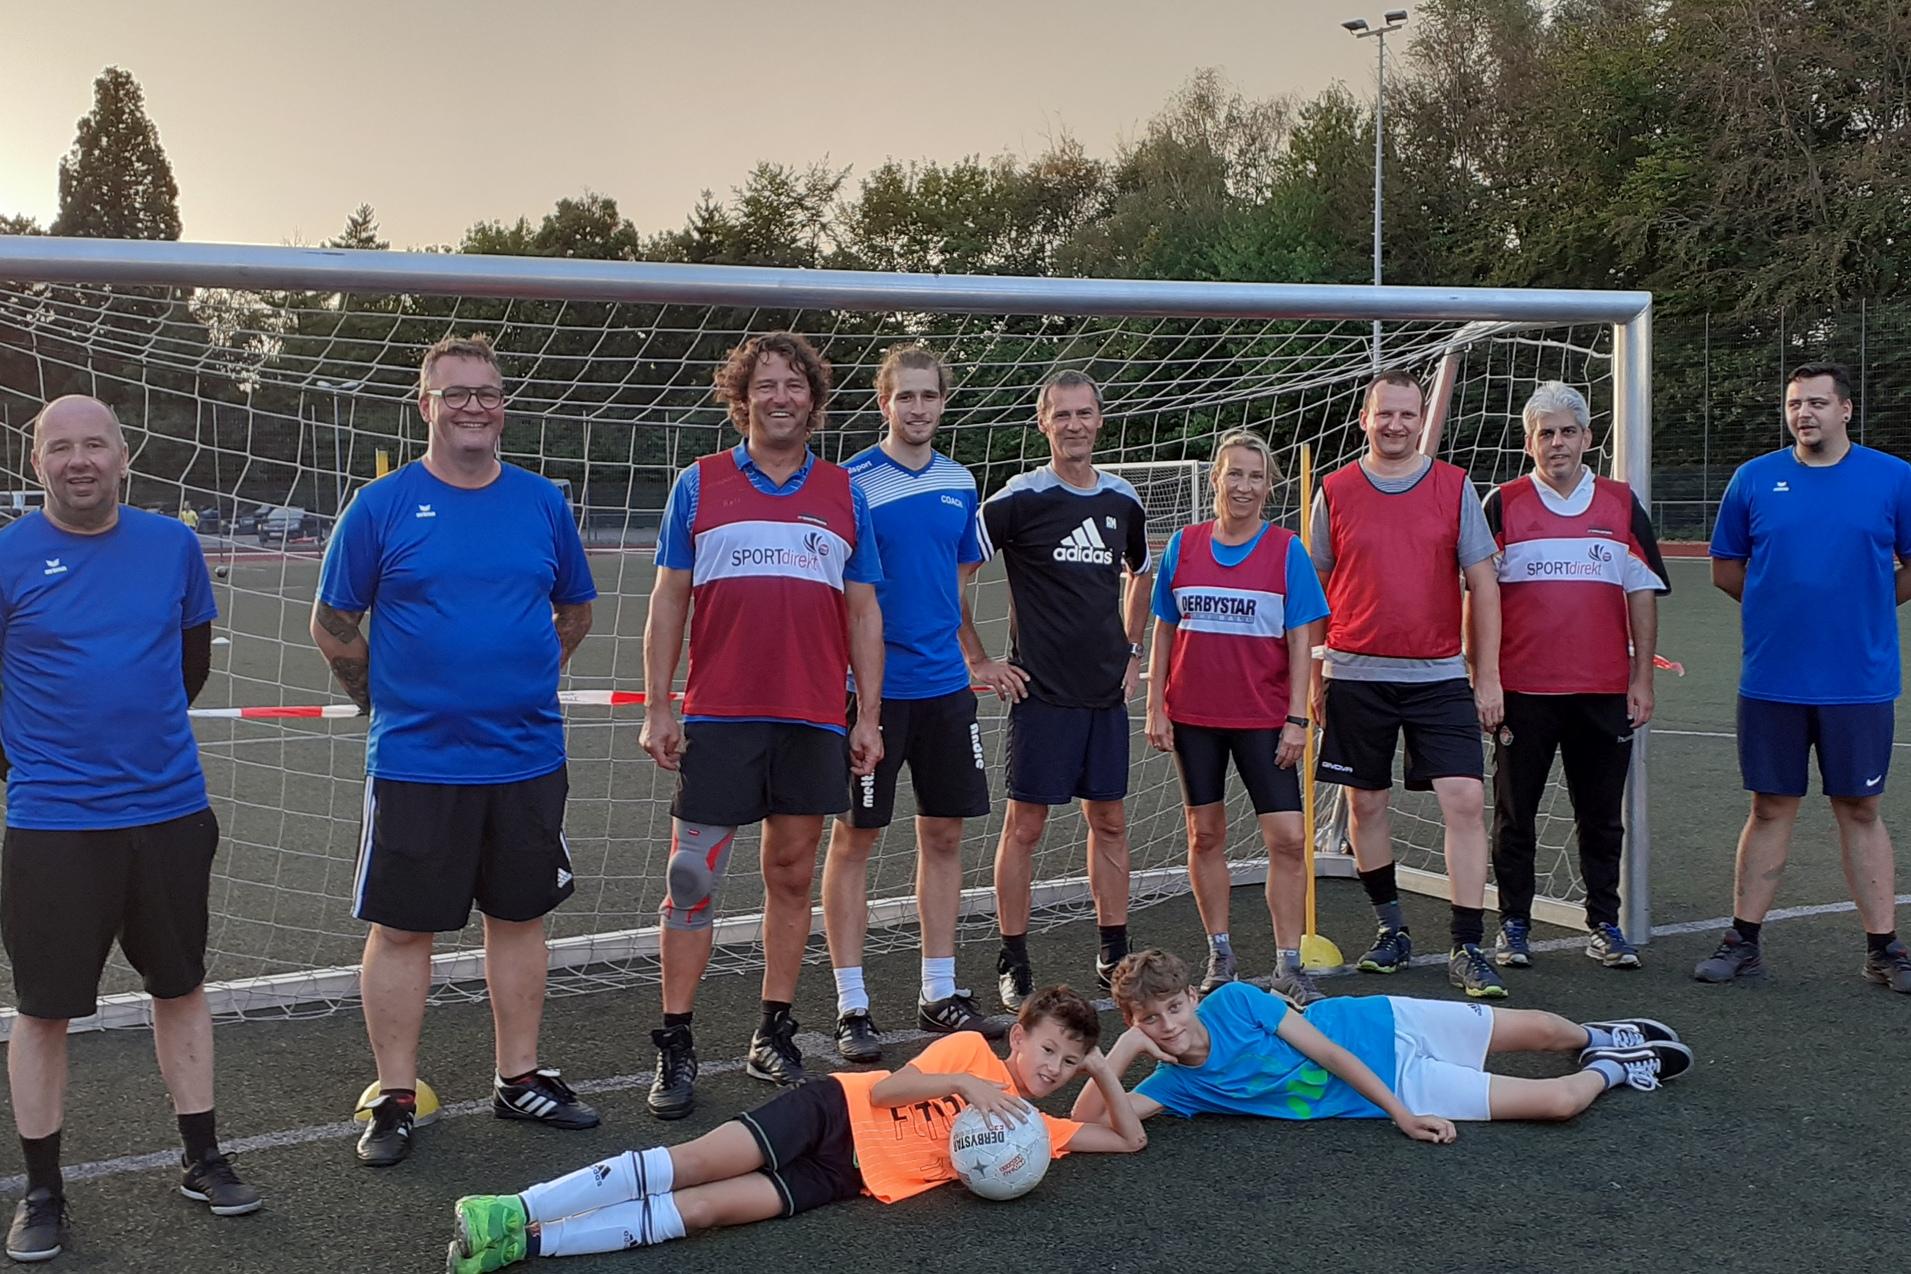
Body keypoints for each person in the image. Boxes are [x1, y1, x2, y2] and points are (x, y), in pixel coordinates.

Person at [313, 334, 601, 1168]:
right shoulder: (382, 505)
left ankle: (520, 1079)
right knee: (404, 931)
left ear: (502, 405)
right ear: (425, 404)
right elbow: (333, 627)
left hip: (525, 758)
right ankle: (395, 1097)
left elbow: (574, 612)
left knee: (520, 918)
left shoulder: (542, 502)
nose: (473, 404)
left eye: (487, 391)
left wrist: (518, 677)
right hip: (415, 763)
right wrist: (385, 701)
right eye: (456, 392)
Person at [0, 396, 260, 1263]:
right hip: (53, 826)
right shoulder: (6, 556)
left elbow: (190, 665)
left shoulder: (172, 546)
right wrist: (41, 769)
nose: (79, 460)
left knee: (180, 986)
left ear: (123, 454)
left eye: (94, 444)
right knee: (42, 1012)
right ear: (35, 463)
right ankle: (42, 1192)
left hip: (170, 813)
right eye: (59, 447)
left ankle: (203, 1157)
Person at [442, 985, 1145, 1270]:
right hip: (831, 1110)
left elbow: (1127, 1140)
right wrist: (963, 1082)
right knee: (693, 1165)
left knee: (708, 1210)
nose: (1054, 1067)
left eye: (1069, 1060)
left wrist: (1106, 1071)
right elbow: (893, 1090)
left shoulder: (1035, 1131)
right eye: (1048, 1048)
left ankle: (525, 1243)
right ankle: (512, 1206)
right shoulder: (966, 1055)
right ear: (1018, 1036)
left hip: (845, 1179)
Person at [639, 331, 885, 1117]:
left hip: (811, 719)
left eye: (794, 384)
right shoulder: (699, 483)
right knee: (691, 880)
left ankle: (772, 1029)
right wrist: (658, 702)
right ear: (740, 398)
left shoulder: (844, 492)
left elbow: (863, 610)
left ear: (813, 399)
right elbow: (668, 598)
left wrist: (868, 715)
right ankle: (676, 1042)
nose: (780, 397)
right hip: (719, 717)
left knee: (789, 874)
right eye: (765, 385)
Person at [822, 346, 1022, 1062]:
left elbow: (956, 584)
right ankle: (852, 1005)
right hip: (871, 694)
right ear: (883, 402)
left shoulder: (959, 481)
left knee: (943, 837)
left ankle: (939, 992)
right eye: (903, 397)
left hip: (944, 691)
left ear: (942, 403)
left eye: (928, 397)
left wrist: (976, 657)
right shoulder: (848, 482)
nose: (916, 409)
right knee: (855, 841)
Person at [1697, 362, 1911, 992]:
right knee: (1769, 807)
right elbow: (1726, 568)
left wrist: (1863, 608)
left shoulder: (1893, 478)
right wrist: (1780, 612)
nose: (1804, 414)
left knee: (1861, 808)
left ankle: (1884, 949)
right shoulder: (1754, 479)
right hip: (1772, 680)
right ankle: (1744, 942)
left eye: (1817, 402)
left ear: (1847, 410)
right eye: (1794, 404)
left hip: (1858, 681)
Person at [1309, 371, 1508, 998]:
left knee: (1465, 801)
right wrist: (1314, 675)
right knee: (1364, 805)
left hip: (1439, 675)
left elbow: (1485, 584)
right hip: (1354, 674)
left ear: (1421, 419)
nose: (1395, 425)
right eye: (1383, 414)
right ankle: (1391, 930)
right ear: (1364, 419)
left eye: (1407, 414)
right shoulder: (1334, 490)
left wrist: (1489, 674)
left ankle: (1468, 944)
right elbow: (1312, 590)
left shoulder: (1453, 487)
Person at [1078, 950, 1691, 1140]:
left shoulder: (1235, 1002)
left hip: (1386, 1024)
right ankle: (1615, 1065)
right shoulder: (1175, 1086)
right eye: (1150, 1019)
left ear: (1190, 995)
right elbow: (1086, 1123)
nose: (1169, 1025)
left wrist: (1402, 1119)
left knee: (1551, 1029)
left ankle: (1600, 1035)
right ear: (1133, 1019)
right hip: (1405, 1084)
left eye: (1175, 1008)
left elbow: (1330, 1055)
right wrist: (1125, 1050)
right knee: (1559, 1104)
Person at [977, 369, 1152, 1009]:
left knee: (1109, 820)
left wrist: (1132, 651)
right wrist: (980, 657)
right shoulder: (1019, 498)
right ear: (1043, 423)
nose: (1075, 425)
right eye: (1063, 415)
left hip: (1104, 694)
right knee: (1026, 826)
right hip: (1039, 695)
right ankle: (1013, 956)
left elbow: (1141, 573)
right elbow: (955, 569)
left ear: (1100, 419)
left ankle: (1112, 949)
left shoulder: (1123, 500)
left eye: (1085, 413)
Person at [1483, 382, 1669, 970]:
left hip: (1602, 689)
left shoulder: (1618, 503)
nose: (1557, 443)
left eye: (1568, 431)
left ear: (1587, 438)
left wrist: (1642, 678)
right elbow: (1479, 595)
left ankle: (1605, 924)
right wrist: (1483, 674)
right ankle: (1514, 924)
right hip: (1524, 691)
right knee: (1516, 812)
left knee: (1600, 814)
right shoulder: (1504, 503)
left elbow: (1641, 593)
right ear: (1528, 441)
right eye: (1546, 433)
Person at [1144, 431, 1330, 1004]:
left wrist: (1297, 718)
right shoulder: (1184, 544)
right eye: (1234, 474)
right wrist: (1155, 704)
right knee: (1205, 834)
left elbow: (1302, 639)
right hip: (1195, 716)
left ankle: (1288, 965)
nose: (1243, 485)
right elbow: (1164, 628)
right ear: (1216, 480)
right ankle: (1220, 954)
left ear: (1267, 487)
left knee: (1288, 837)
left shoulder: (1286, 550)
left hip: (1264, 719)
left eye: (1255, 476)